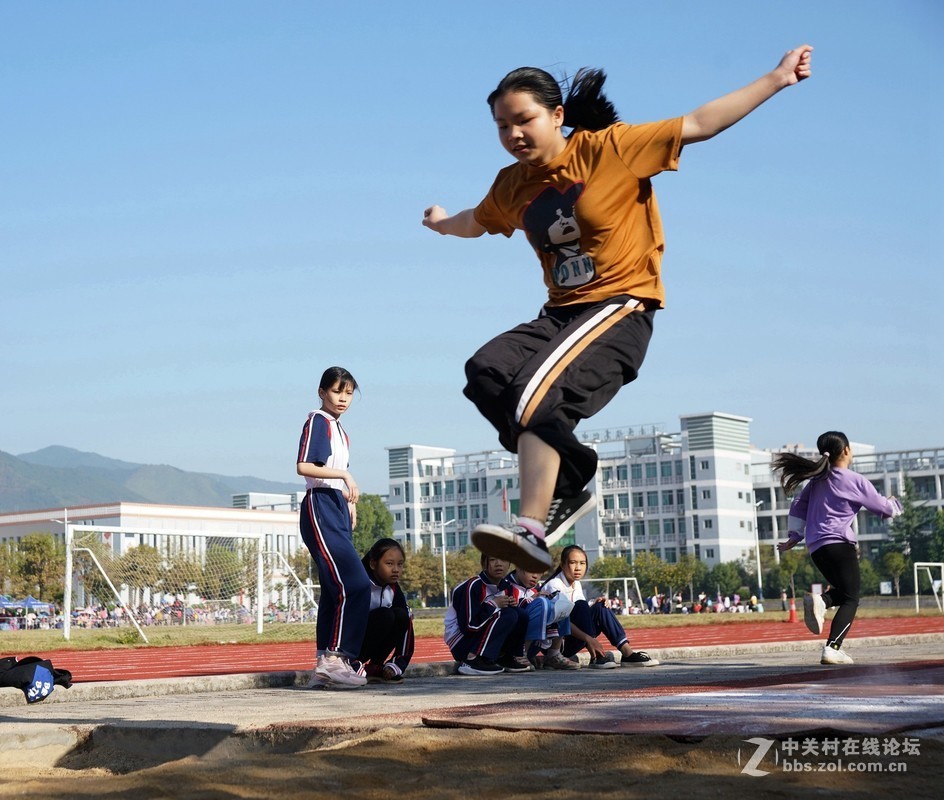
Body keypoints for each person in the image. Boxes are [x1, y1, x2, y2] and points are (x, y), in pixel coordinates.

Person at [423, 46, 814, 572]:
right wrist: (442, 221)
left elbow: (699, 123)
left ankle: (534, 527)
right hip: (561, 316)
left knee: (532, 397)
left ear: (557, 115)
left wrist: (776, 79)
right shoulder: (512, 183)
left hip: (621, 308)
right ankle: (569, 476)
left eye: (524, 120)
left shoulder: (611, 149)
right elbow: (477, 219)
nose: (514, 134)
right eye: (501, 126)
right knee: (486, 371)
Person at [774, 431, 902, 666]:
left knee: (844, 593)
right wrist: (894, 503)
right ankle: (832, 647)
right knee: (852, 598)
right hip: (839, 545)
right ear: (845, 450)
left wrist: (794, 536)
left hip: (816, 548)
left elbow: (797, 506)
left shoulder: (816, 482)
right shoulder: (854, 480)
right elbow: (884, 510)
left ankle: (823, 605)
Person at [297, 367, 368, 690]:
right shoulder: (318, 421)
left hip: (336, 507)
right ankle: (335, 658)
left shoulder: (340, 429)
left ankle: (325, 665)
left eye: (349, 393)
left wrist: (349, 503)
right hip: (320, 505)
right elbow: (304, 466)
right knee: (354, 583)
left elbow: (336, 470)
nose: (343, 398)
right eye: (337, 391)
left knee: (334, 587)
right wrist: (346, 477)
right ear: (322, 392)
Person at [542, 545, 660, 668]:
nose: (578, 568)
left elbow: (579, 615)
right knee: (582, 606)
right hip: (555, 645)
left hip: (571, 638)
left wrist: (595, 606)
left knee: (601, 606)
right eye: (573, 563)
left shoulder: (576, 584)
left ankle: (627, 653)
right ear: (562, 565)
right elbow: (561, 619)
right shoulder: (554, 585)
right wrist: (589, 639)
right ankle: (596, 657)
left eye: (582, 563)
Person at [443, 553, 526, 676]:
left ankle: (505, 657)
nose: (498, 564)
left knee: (520, 614)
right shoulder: (472, 586)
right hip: (462, 643)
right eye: (493, 559)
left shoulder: (506, 586)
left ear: (509, 564)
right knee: (508, 614)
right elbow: (469, 626)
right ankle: (473, 660)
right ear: (483, 564)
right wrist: (493, 605)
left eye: (504, 560)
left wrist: (510, 606)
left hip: (479, 637)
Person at [358, 538, 414, 682]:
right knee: (385, 615)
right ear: (372, 563)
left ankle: (375, 666)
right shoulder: (359, 584)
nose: (396, 569)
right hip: (354, 643)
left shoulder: (394, 588)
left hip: (372, 638)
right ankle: (351, 663)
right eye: (389, 564)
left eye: (400, 564)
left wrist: (398, 664)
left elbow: (406, 623)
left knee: (402, 615)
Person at [501, 565, 574, 670]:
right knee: (540, 603)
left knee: (560, 602)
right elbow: (510, 615)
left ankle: (554, 654)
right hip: (511, 646)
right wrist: (532, 600)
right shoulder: (506, 586)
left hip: (534, 644)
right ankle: (520, 655)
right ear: (518, 567)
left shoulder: (536, 590)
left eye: (540, 572)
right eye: (531, 570)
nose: (535, 576)